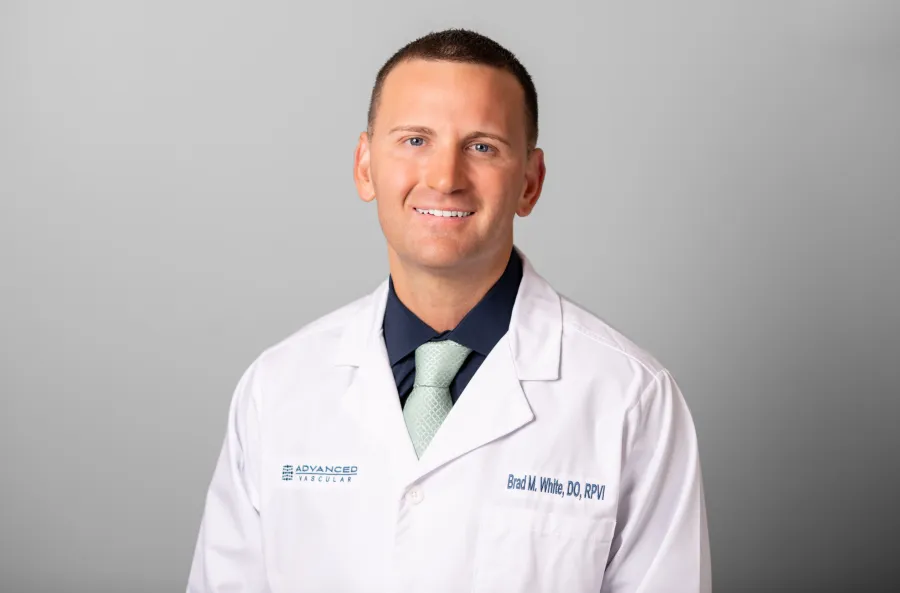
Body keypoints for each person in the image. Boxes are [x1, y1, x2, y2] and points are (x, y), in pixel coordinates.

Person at [186, 28, 711, 593]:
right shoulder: (277, 388)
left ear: (530, 183)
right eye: (415, 140)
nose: (445, 178)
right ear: (365, 166)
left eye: (482, 146)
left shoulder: (630, 399)